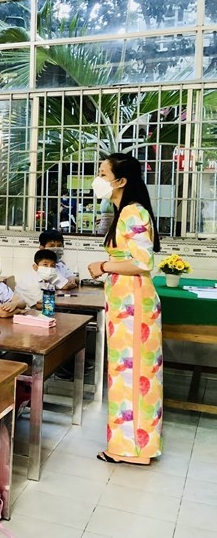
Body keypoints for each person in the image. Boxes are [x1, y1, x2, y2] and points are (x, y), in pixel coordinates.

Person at [87, 152, 162, 466]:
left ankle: (131, 449)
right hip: (125, 304)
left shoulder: (132, 212)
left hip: (133, 306)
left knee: (130, 376)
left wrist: (103, 264)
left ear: (121, 181)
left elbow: (143, 261)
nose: (99, 179)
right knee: (125, 375)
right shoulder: (123, 211)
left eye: (104, 174)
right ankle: (131, 446)